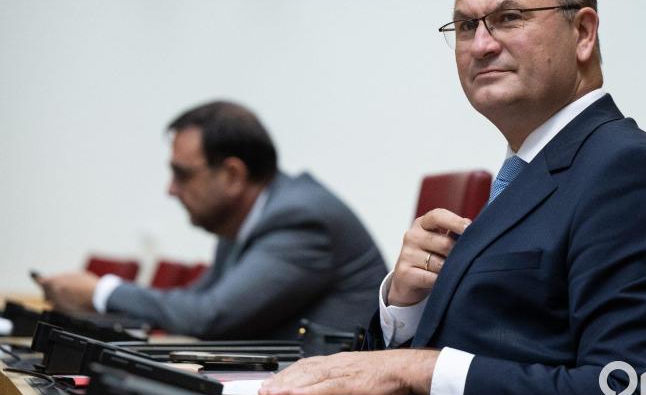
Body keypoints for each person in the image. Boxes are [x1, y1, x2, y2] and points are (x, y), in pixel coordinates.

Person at [257, 0, 646, 395]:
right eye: (464, 26)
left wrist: (417, 369)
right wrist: (405, 304)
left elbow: (628, 393)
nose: (481, 45)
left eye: (508, 18)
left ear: (583, 32)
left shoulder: (632, 174)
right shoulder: (526, 172)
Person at [36, 101, 388, 339]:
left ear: (233, 175)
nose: (170, 190)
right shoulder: (239, 222)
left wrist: (102, 292)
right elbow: (192, 302)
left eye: (182, 174)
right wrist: (93, 309)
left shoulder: (300, 218)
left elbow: (209, 316)